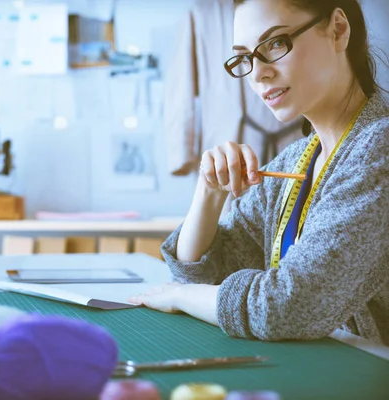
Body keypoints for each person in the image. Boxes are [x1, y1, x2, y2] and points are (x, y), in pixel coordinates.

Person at [129, 0, 389, 346]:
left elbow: (287, 307)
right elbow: (207, 276)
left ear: (338, 29)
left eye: (275, 44)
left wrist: (178, 297)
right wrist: (208, 193)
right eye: (245, 57)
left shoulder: (379, 149)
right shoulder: (294, 161)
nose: (257, 73)